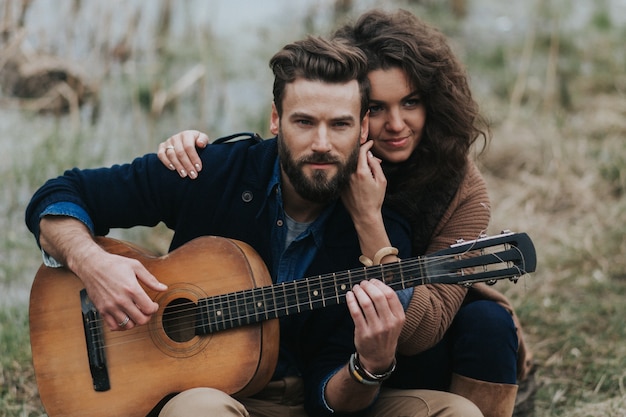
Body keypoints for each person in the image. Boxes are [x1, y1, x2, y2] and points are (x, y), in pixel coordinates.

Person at [25, 35, 484, 417]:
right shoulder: (209, 171)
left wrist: (371, 365)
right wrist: (93, 265)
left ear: (363, 128)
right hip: (206, 398)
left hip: (304, 399)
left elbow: (332, 398)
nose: (321, 143)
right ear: (274, 119)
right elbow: (59, 196)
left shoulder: (379, 228)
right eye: (304, 122)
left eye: (339, 124)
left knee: (456, 413)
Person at [157, 9, 533, 417]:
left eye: (411, 102)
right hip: (318, 341)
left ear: (434, 102)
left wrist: (369, 220)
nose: (395, 124)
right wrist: (190, 149)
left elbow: (422, 330)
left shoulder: (460, 188)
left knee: (489, 323)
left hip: (404, 345)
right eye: (375, 107)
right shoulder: (321, 164)